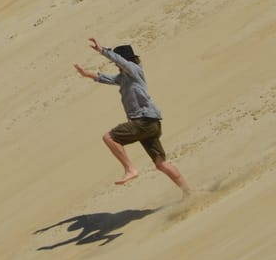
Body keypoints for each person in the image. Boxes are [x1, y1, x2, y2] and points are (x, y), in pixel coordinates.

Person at [74, 38, 190, 194]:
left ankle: (130, 169)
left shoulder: (135, 70)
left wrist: (102, 50)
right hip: (151, 123)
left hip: (143, 120)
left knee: (109, 138)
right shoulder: (124, 78)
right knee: (161, 164)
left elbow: (122, 62)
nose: (116, 65)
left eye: (118, 62)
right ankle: (189, 193)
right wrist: (85, 73)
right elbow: (104, 78)